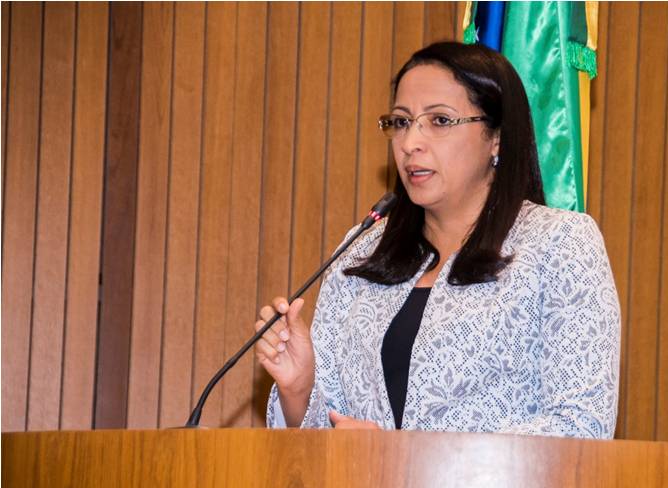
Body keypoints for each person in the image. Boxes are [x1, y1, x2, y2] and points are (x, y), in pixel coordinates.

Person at [256, 42, 621, 438]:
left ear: (496, 137)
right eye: (401, 122)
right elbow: (328, 436)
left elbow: (582, 426)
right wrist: (298, 390)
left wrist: (398, 458)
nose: (410, 142)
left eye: (440, 120)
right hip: (360, 483)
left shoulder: (559, 243)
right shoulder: (362, 253)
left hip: (493, 486)